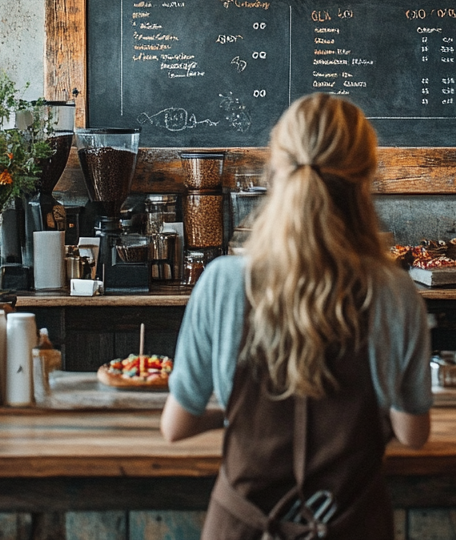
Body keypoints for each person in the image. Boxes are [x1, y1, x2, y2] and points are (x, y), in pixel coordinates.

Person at [161, 93, 432, 539]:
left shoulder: (223, 282)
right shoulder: (395, 291)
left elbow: (176, 426)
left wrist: (230, 415)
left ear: (276, 170)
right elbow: (413, 432)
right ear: (364, 179)